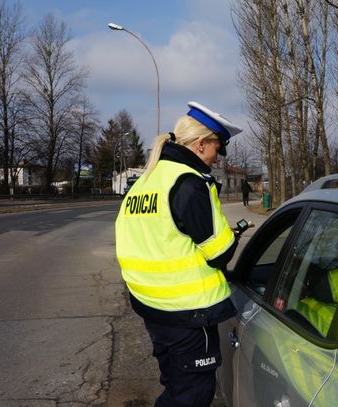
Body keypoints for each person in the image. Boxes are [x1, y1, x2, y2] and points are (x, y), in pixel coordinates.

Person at [115, 101, 243, 406]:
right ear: (200, 144)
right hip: (188, 314)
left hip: (153, 308)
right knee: (192, 397)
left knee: (176, 388)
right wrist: (230, 234)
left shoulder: (146, 182)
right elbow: (220, 253)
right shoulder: (189, 183)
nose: (217, 158)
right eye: (218, 148)